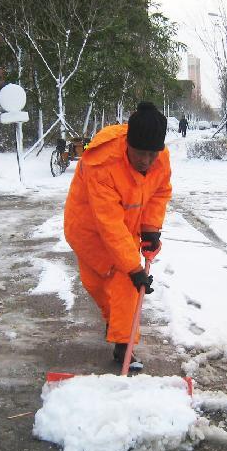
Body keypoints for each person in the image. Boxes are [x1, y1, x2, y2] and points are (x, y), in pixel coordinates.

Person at [64, 101, 172, 371]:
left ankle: (123, 347)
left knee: (125, 285)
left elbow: (160, 192)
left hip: (125, 227)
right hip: (89, 229)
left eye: (152, 154)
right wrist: (134, 267)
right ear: (127, 145)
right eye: (139, 154)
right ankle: (118, 328)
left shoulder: (160, 157)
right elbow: (108, 223)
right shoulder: (102, 164)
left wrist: (150, 228)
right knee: (100, 284)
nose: (146, 161)